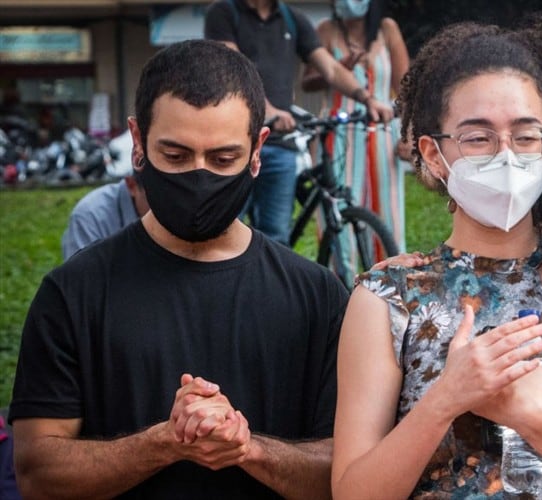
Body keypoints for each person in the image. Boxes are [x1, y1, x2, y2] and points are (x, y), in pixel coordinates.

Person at [331, 22, 542, 499]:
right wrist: (446, 399)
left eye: (525, 136)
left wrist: (528, 416)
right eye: (477, 138)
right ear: (433, 154)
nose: (506, 156)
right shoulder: (388, 296)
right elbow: (353, 493)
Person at [8, 39, 350, 498]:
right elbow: (37, 474)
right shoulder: (73, 293)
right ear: (137, 141)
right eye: (175, 156)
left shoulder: (317, 297)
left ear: (257, 149)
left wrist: (247, 449)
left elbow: (349, 475)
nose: (199, 177)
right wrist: (164, 443)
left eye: (223, 159)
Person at [204, 0, 394, 245]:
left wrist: (368, 99)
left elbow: (331, 70)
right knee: (225, 230)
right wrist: (269, 111)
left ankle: (268, 284)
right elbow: (230, 70)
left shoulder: (292, 18)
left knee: (276, 237)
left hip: (280, 145)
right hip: (233, 145)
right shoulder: (224, 13)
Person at [302, 0, 410, 252]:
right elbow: (307, 81)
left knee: (388, 215)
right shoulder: (326, 30)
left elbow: (407, 87)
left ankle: (388, 282)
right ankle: (341, 283)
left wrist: (409, 132)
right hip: (337, 134)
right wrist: (339, 70)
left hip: (381, 133)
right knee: (337, 215)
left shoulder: (387, 29)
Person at [61, 175, 148, 260]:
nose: (161, 205)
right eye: (156, 194)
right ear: (132, 185)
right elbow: (81, 272)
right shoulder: (90, 216)